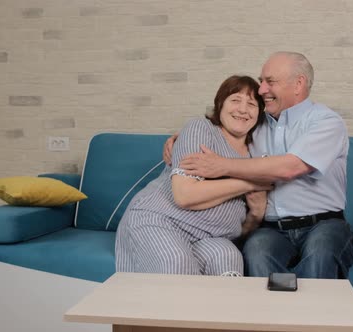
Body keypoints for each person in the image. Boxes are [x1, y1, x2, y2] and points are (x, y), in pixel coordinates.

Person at [164, 52, 353, 279]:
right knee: (256, 252)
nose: (262, 89)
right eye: (262, 81)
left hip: (323, 224)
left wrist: (222, 166)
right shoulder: (256, 124)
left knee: (321, 252)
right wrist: (181, 139)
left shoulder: (326, 122)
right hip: (271, 229)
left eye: (270, 82)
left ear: (298, 84)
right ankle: (268, 315)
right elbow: (223, 129)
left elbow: (290, 168)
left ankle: (311, 314)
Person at [115, 75, 271, 277]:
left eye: (251, 104)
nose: (243, 109)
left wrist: (256, 215)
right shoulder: (201, 128)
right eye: (235, 100)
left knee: (229, 260)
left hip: (213, 236)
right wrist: (249, 182)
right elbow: (185, 195)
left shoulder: (257, 152)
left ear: (259, 114)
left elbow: (245, 226)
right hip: (162, 220)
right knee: (175, 260)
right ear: (220, 105)